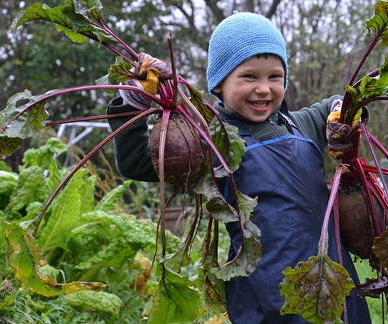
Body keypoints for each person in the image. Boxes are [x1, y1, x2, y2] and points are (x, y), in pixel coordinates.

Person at [107, 11, 371, 323]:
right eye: (249, 77)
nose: (264, 89)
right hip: (265, 296)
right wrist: (134, 99)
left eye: (275, 77)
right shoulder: (209, 141)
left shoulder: (303, 125)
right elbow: (137, 162)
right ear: (218, 84)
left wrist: (343, 113)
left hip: (334, 278)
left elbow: (335, 106)